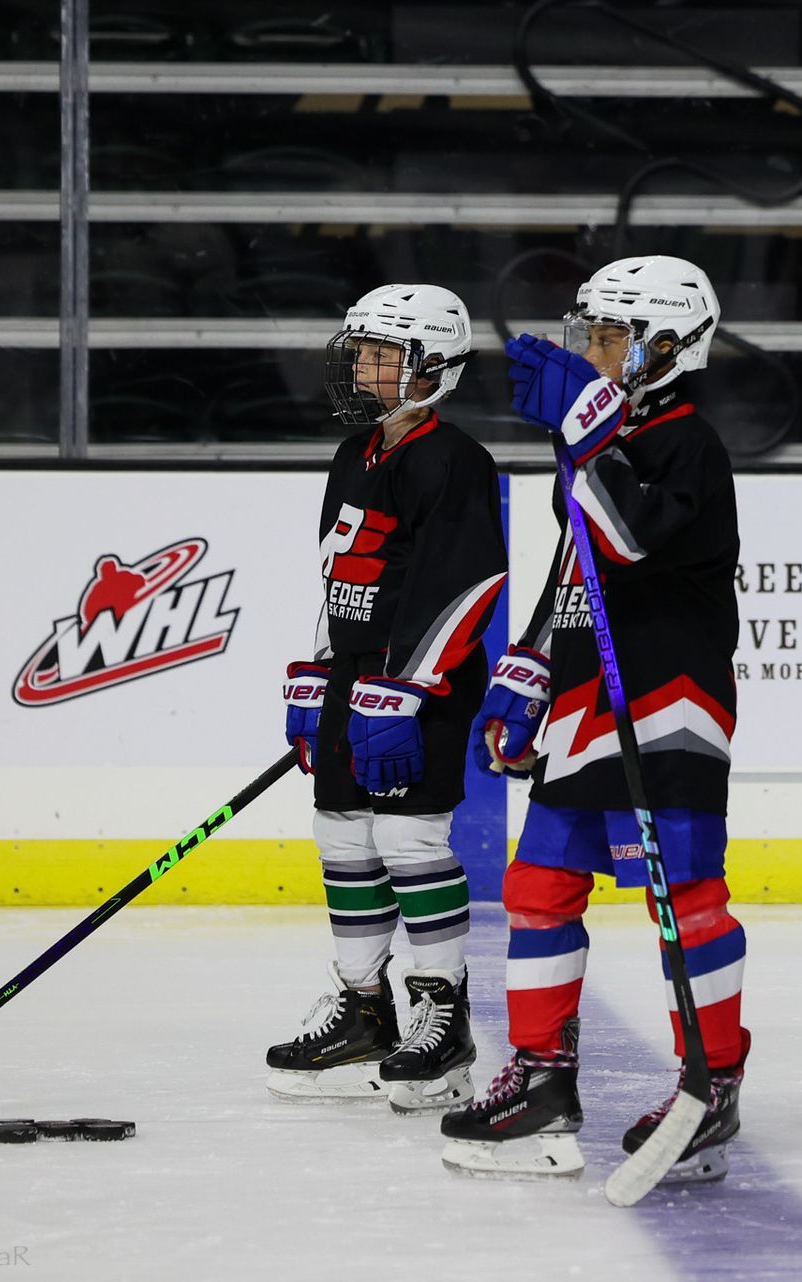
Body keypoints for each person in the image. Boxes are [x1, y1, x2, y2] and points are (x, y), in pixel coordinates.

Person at [439, 255, 747, 1184]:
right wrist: (527, 673)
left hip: (667, 709)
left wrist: (583, 434)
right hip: (583, 709)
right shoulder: (599, 437)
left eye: (612, 335)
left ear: (668, 343)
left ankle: (713, 1082)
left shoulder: (690, 445)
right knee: (536, 891)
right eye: (593, 334)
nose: (593, 353)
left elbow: (628, 537)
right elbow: (576, 571)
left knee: (684, 900)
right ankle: (541, 1076)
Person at [264, 284, 509, 1111]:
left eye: (383, 354)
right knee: (341, 833)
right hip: (352, 681)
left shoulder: (454, 459)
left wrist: (402, 689)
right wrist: (320, 670)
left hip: (420, 686)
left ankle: (443, 1017)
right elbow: (344, 578)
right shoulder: (353, 455)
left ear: (433, 366)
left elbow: (468, 587)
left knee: (409, 840)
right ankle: (364, 1009)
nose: (362, 366)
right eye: (360, 351)